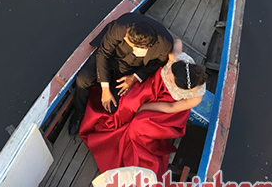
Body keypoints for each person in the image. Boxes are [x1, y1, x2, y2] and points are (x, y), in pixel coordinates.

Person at [80, 47, 208, 178]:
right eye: (170, 70)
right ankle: (114, 123)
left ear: (180, 86)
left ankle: (132, 151)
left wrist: (145, 108)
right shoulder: (177, 62)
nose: (167, 74)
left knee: (140, 125)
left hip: (166, 106)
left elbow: (170, 107)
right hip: (154, 83)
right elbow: (176, 42)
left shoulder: (196, 97)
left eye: (170, 79)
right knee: (129, 102)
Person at [68, 13, 173, 135]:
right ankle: (79, 111)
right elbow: (103, 53)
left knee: (113, 106)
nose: (124, 38)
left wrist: (135, 77)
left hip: (132, 68)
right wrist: (105, 90)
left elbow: (156, 63)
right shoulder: (121, 26)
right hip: (111, 55)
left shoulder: (165, 45)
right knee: (83, 79)